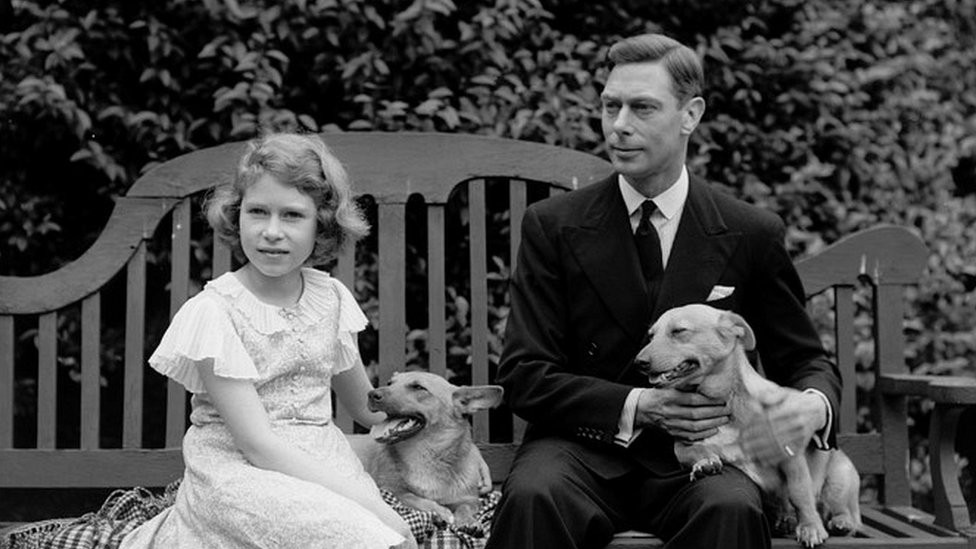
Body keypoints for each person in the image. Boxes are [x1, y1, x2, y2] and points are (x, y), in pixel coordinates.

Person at [485, 33, 842, 549]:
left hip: (712, 450)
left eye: (642, 108)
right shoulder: (553, 225)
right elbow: (524, 373)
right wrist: (639, 403)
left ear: (690, 115)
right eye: (610, 106)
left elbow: (805, 359)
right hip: (581, 448)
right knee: (533, 495)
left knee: (731, 508)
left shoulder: (751, 232)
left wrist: (812, 407)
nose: (619, 125)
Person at [121, 133, 416, 549]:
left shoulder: (330, 299)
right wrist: (372, 506)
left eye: (292, 215)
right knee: (364, 536)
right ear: (237, 215)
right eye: (258, 212)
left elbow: (367, 410)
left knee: (380, 537)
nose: (271, 232)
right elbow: (258, 445)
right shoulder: (215, 312)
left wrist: (434, 422)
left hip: (322, 464)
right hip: (239, 473)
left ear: (322, 224)